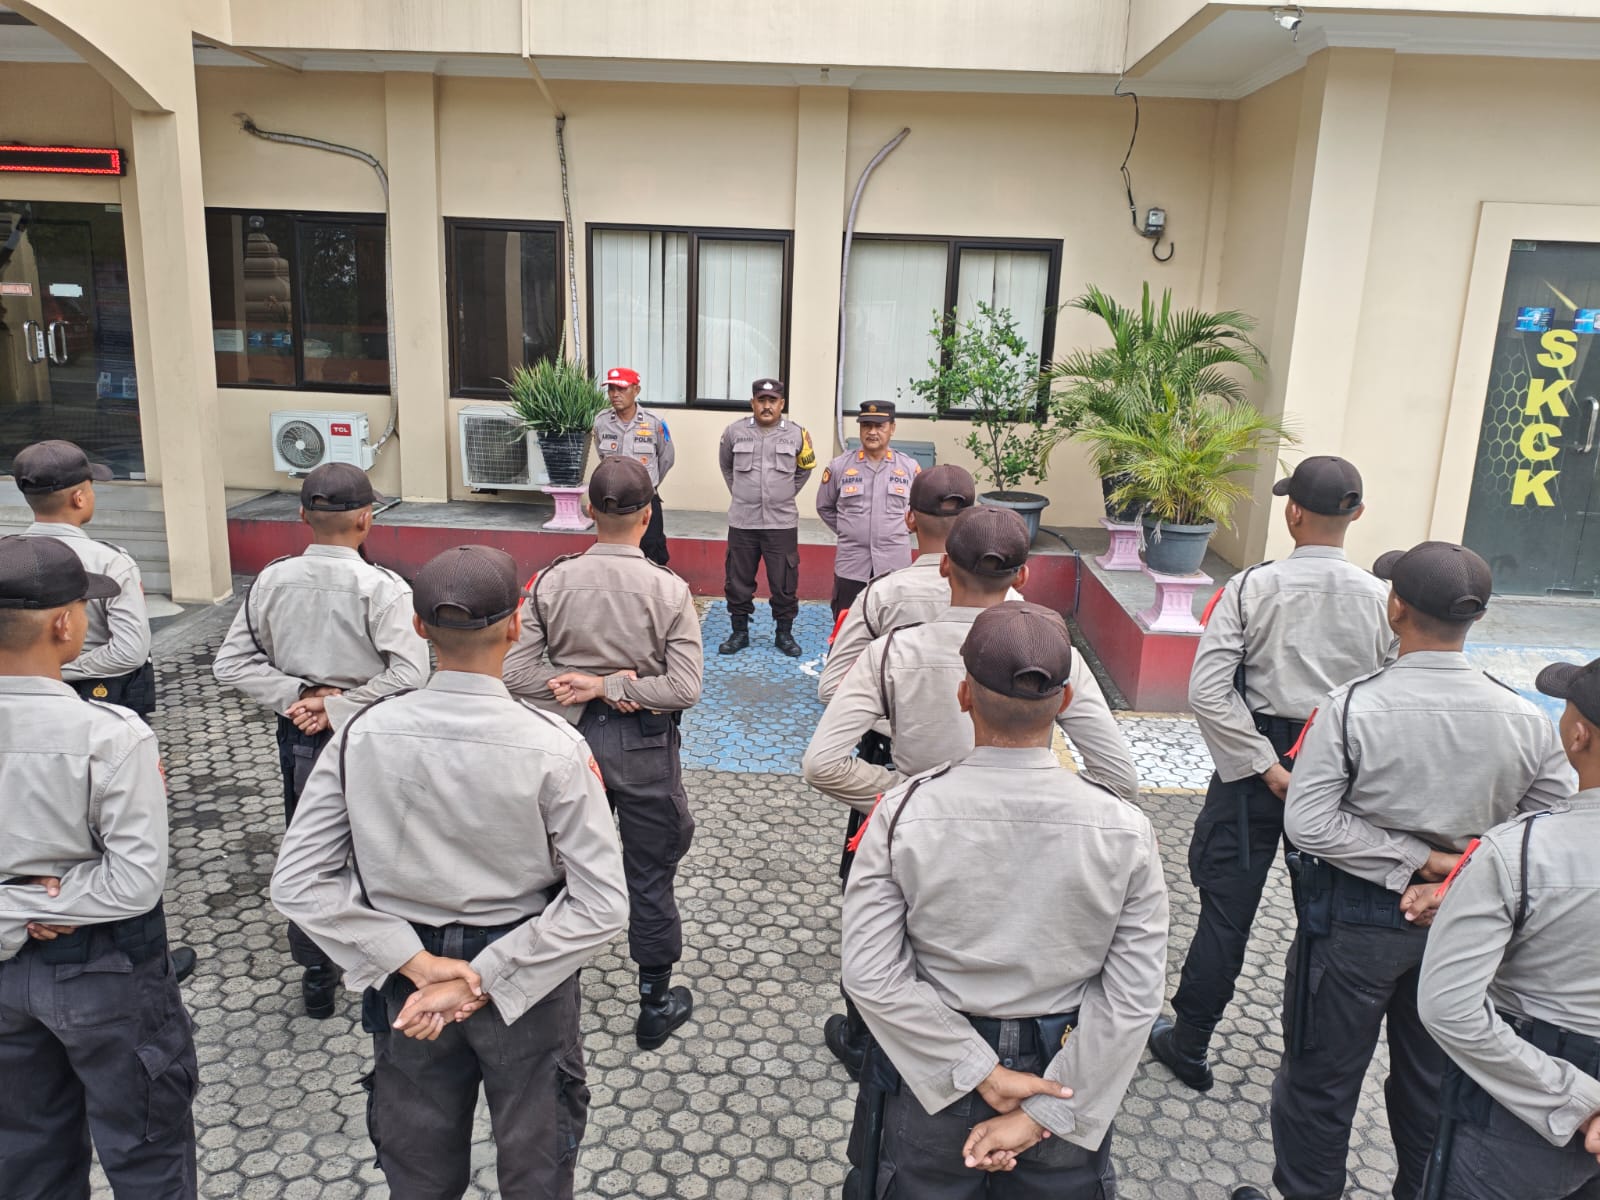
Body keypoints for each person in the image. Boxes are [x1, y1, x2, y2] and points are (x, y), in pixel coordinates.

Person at [271, 544, 629, 1200]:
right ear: (517, 624)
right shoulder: (554, 745)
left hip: (405, 979)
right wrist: (482, 977)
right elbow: (601, 903)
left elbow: (298, 881)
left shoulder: (362, 734)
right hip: (526, 971)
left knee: (419, 1171)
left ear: (418, 627)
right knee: (537, 1167)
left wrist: (414, 964)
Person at [1233, 541, 1572, 1200]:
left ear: (1394, 607)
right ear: (1476, 618)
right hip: (1464, 927)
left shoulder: (1351, 708)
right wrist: (1459, 874)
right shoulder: (1527, 720)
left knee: (1320, 1086)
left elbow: (1310, 824)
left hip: (1352, 924)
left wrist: (1420, 860)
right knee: (1433, 1091)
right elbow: (1548, 827)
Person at [841, 601, 1168, 1198]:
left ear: (964, 695)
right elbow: (1133, 996)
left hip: (933, 1065)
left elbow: (870, 973)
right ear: (1065, 702)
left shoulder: (902, 813)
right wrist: (1045, 1113)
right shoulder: (1124, 827)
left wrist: (981, 1073)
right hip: (1067, 1068)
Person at [1150, 455, 1394, 1092]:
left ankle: (1191, 1042)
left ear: (1293, 513)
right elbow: (1388, 701)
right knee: (1327, 921)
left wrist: (1266, 767)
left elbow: (1209, 692)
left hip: (1253, 764)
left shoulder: (1251, 588)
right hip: (1341, 766)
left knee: (1226, 912)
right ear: (1357, 514)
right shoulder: (1381, 600)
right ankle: (1311, 1065)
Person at [0, 535, 198, 1199]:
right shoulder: (111, 736)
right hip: (104, 972)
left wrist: (10, 908)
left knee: (27, 1157)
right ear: (64, 624)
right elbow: (134, 883)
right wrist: (39, 904)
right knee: (147, 1155)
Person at [212, 462, 430, 1018]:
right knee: (378, 847)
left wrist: (303, 696)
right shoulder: (383, 589)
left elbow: (231, 664)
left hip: (300, 735)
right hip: (369, 737)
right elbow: (412, 674)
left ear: (302, 515)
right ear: (367, 518)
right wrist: (333, 704)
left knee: (309, 849)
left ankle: (316, 971)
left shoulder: (271, 580)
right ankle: (390, 964)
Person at [504, 456, 703, 1050]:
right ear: (648, 516)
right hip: (642, 745)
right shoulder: (669, 590)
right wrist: (612, 685)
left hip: (564, 743)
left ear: (589, 510)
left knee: (554, 871)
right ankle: (654, 1004)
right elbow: (684, 688)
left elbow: (514, 673)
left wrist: (582, 685)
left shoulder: (552, 581)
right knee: (649, 873)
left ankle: (543, 992)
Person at [802, 504, 1138, 815]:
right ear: (1022, 576)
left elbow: (822, 763)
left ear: (944, 565)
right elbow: (1120, 780)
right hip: (1023, 835)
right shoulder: (1056, 652)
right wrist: (1045, 803)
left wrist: (908, 795)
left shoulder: (891, 652)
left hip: (920, 834)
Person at [1414, 655, 1600, 1199]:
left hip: (1523, 1104)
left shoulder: (1520, 849)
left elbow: (1449, 1008)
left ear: (1579, 735)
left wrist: (1578, 1101)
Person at [14, 438, 198, 982]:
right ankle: (138, 961)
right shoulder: (107, 561)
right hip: (99, 701)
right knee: (114, 830)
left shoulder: (7, 560)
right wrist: (57, 667)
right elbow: (130, 650)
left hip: (32, 696)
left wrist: (35, 667)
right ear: (80, 497)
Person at [717, 377, 817, 657]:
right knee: (737, 580)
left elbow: (805, 468)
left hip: (781, 523)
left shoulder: (797, 434)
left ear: (781, 404)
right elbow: (726, 466)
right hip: (743, 521)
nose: (766, 406)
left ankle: (784, 634)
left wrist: (783, 494)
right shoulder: (734, 432)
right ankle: (739, 633)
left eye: (772, 401)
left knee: (784, 582)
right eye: (761, 400)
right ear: (753, 403)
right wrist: (741, 493)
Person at [815, 401, 921, 618]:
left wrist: (897, 531)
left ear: (892, 428)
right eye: (866, 426)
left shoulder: (909, 468)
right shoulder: (839, 466)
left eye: (879, 426)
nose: (872, 432)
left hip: (894, 567)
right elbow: (824, 506)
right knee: (846, 626)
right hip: (852, 566)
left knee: (892, 626)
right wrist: (848, 529)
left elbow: (920, 511)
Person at [594, 365, 675, 565]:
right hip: (612, 501)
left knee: (652, 550)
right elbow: (602, 456)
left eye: (621, 388)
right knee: (611, 552)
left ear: (636, 390)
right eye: (611, 389)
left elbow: (666, 458)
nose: (615, 394)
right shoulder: (601, 422)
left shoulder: (655, 423)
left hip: (645, 500)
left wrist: (648, 484)